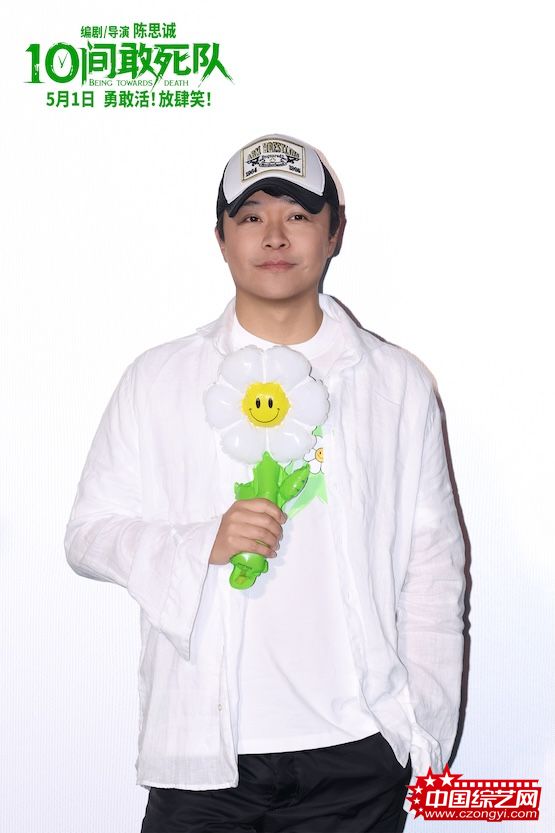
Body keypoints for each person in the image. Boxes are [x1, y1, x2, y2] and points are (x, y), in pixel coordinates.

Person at [65, 133, 466, 832]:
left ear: (335, 232)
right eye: (250, 216)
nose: (275, 236)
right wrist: (202, 543)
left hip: (356, 754)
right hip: (204, 755)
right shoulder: (158, 379)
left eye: (299, 215)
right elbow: (87, 535)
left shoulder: (394, 383)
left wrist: (418, 730)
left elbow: (434, 566)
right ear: (220, 237)